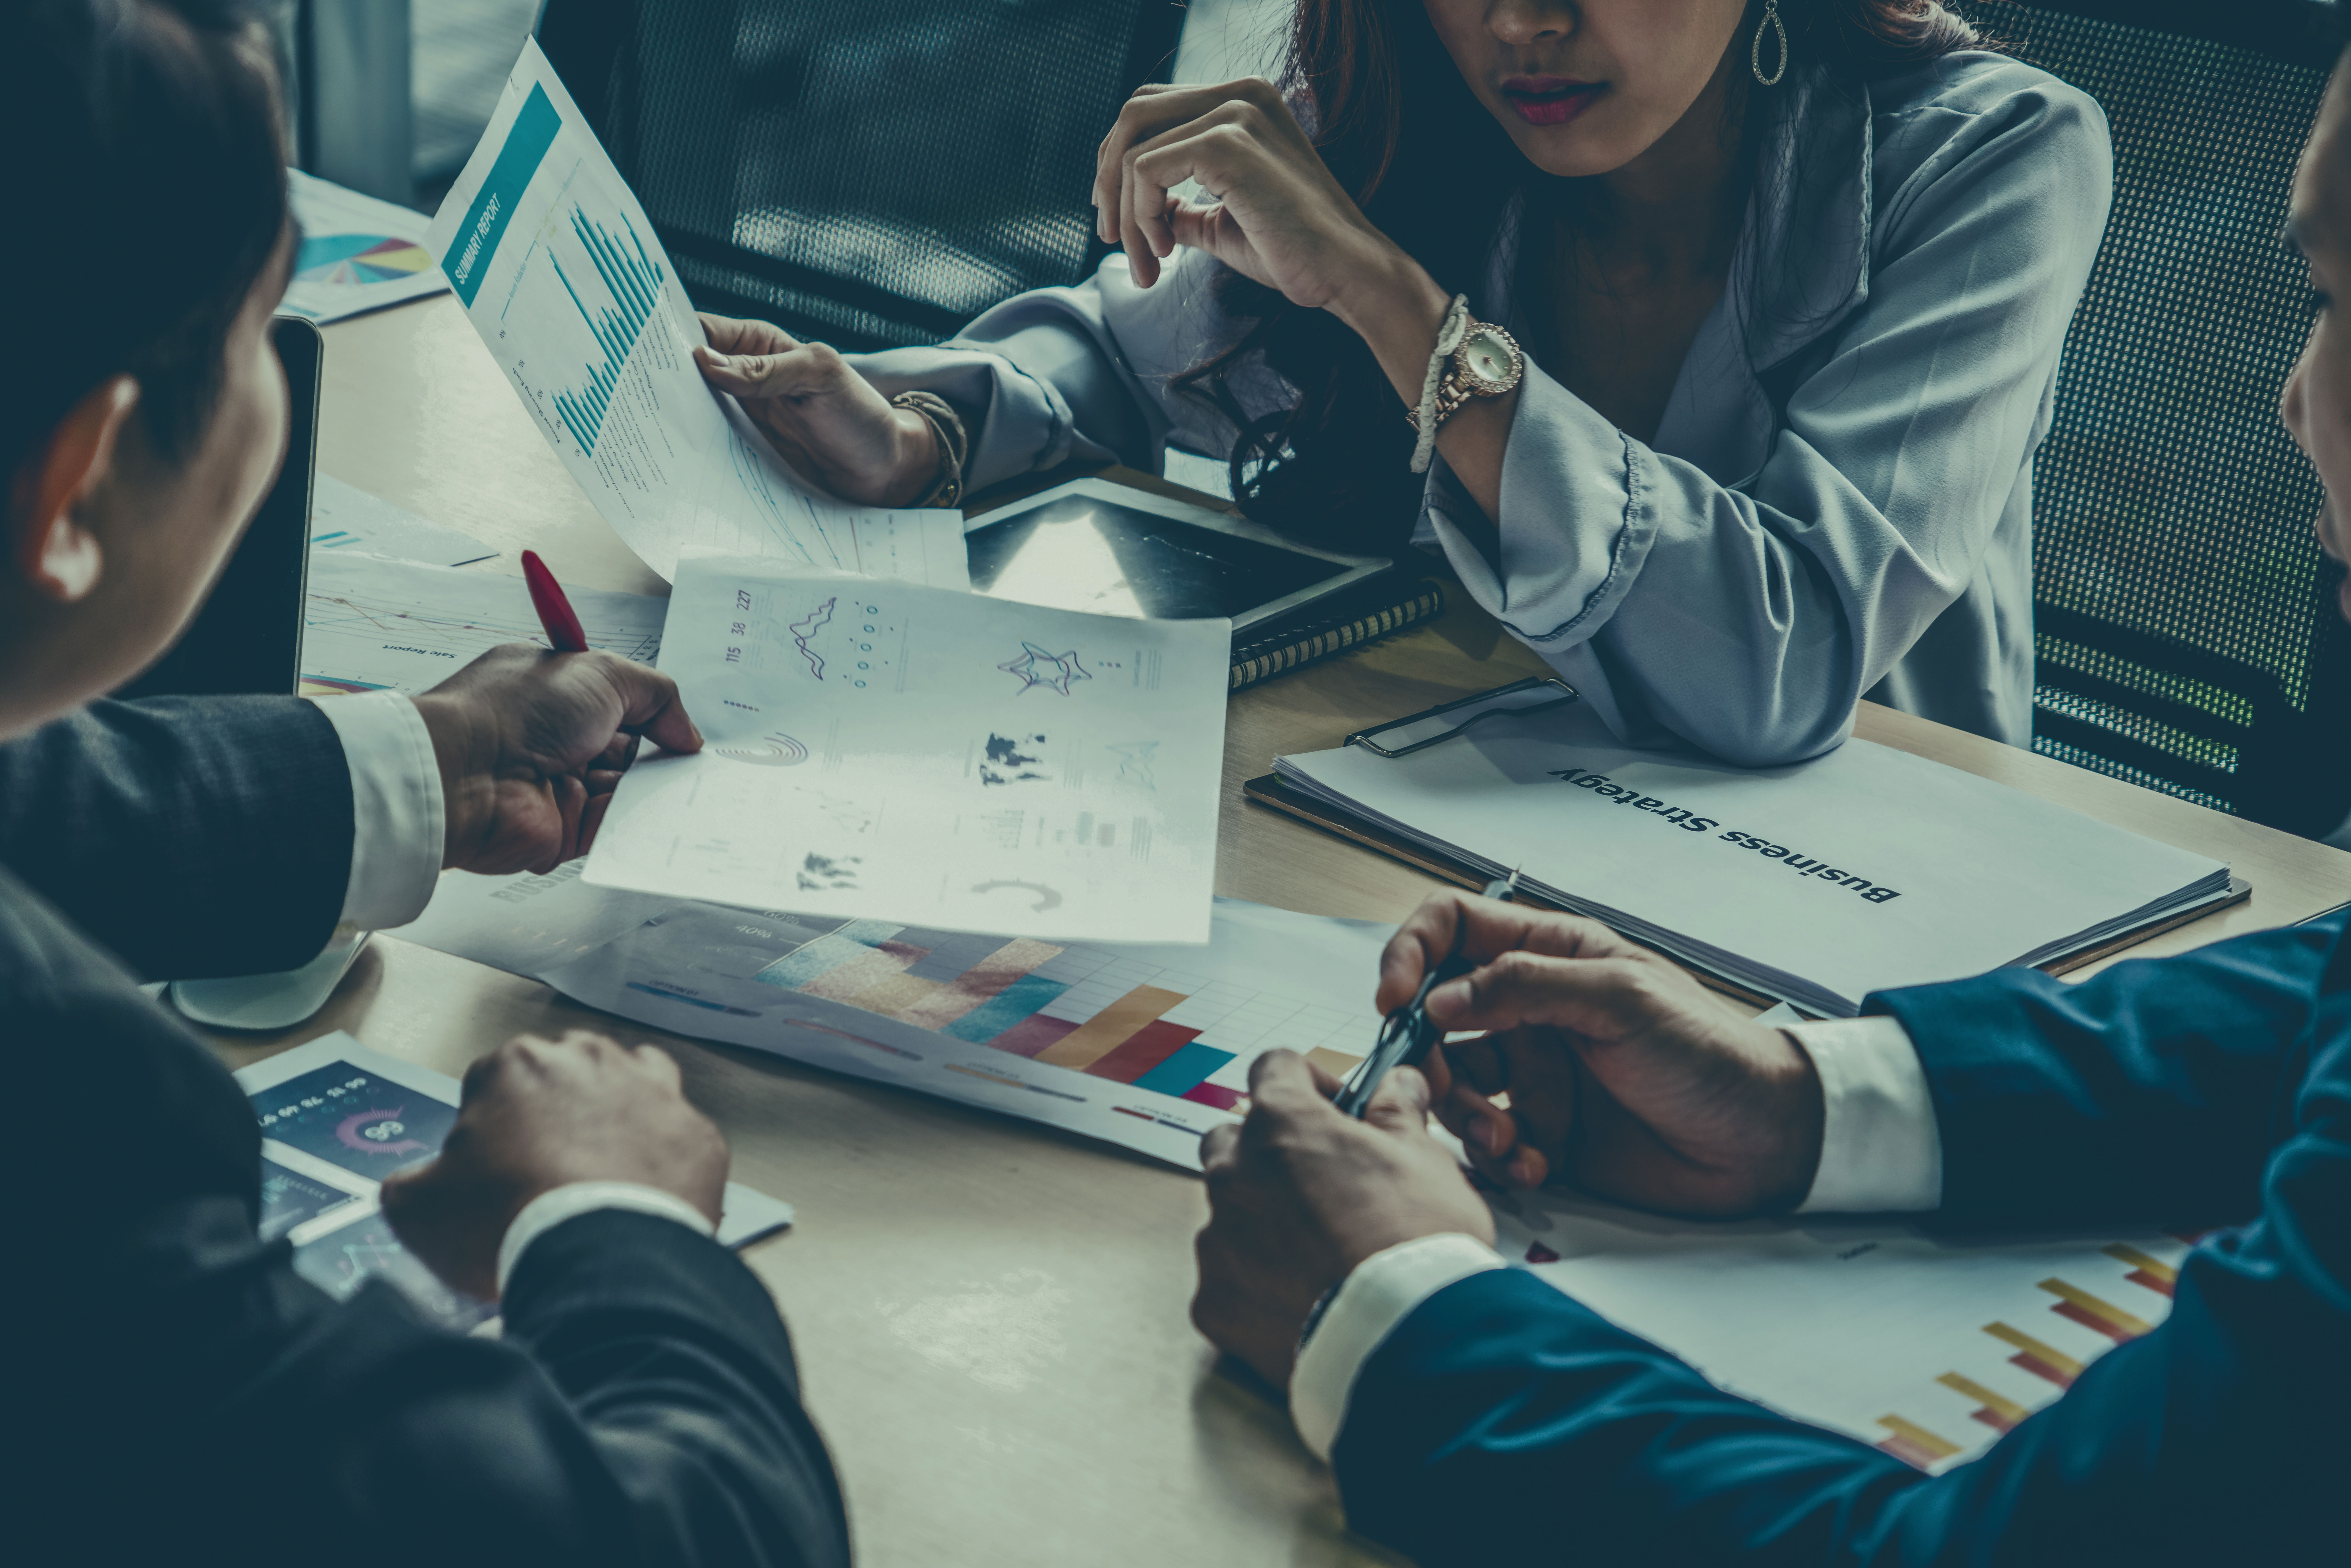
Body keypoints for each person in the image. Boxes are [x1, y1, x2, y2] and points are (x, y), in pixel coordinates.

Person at [1183, 36, 2351, 1559]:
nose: (2292, 401)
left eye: (2339, 305)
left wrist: (1396, 1316)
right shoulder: (1438, 126)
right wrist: (1807, 1103)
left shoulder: (1970, 147)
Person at [5, 4, 847, 1561]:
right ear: (75, 488)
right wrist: (618, 1220)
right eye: (266, 326)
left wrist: (435, 764)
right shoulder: (70, 1112)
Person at [693, 0, 2111, 767]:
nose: (1519, 21)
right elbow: (1133, 348)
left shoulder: (1994, 163)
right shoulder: (1419, 105)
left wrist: (1392, 303)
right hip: (1446, 818)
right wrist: (921, 434)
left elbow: (1778, 661)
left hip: (1831, 914)